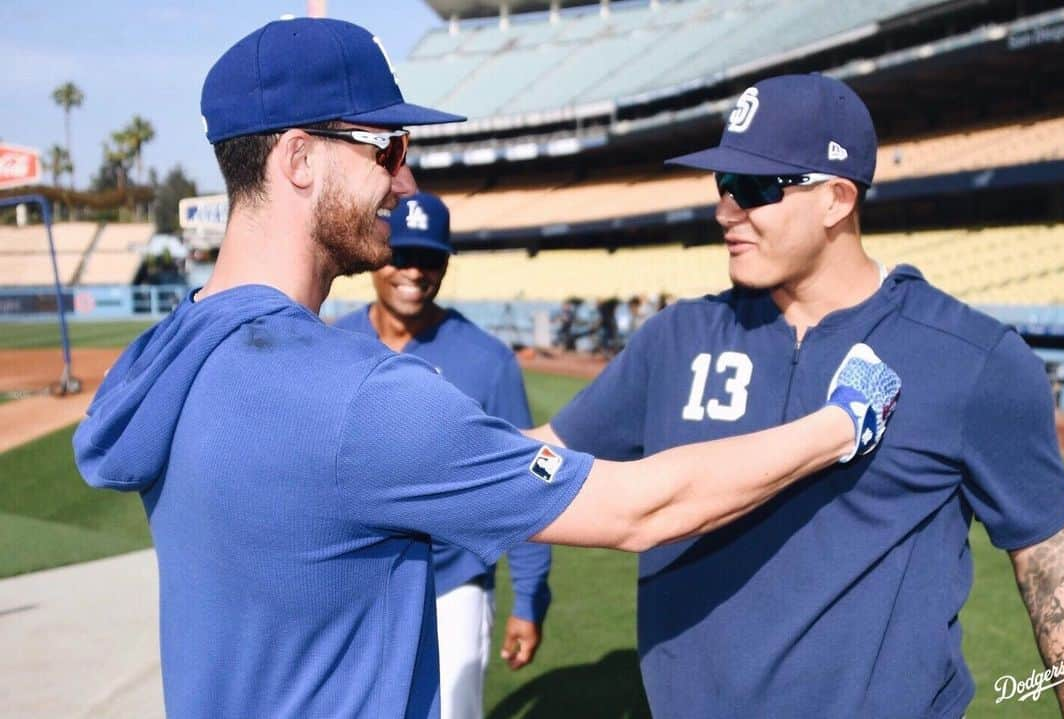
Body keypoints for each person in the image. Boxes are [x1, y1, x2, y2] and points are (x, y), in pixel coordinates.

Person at [71, 22, 901, 719]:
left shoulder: (171, 356)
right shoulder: (359, 399)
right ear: (297, 159)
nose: (407, 179)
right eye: (389, 147)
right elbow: (643, 507)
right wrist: (841, 424)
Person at [531, 73, 1064, 718]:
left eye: (756, 189)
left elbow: (1050, 569)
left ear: (836, 199)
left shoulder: (973, 358)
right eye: (723, 185)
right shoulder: (673, 339)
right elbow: (546, 460)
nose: (725, 211)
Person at [335, 191, 550, 719]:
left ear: (446, 263)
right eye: (400, 255)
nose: (413, 270)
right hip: (355, 580)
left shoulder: (488, 361)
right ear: (376, 255)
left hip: (452, 583)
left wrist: (528, 599)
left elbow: (525, 484)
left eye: (429, 257)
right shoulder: (332, 346)